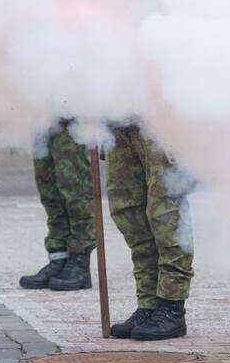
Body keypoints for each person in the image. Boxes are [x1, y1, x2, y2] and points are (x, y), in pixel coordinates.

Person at [105, 124, 194, 341]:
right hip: (119, 116)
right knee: (129, 211)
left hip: (156, 117)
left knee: (165, 213)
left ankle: (171, 306)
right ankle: (148, 303)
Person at [19, 119, 95, 291]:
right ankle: (59, 257)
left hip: (70, 116)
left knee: (74, 188)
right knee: (49, 190)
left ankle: (79, 261)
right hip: (43, 115)